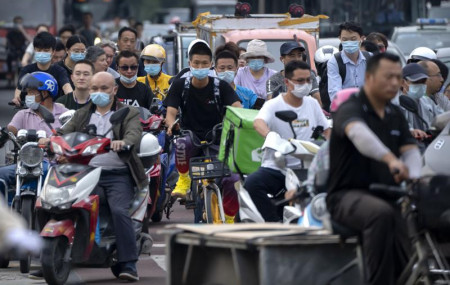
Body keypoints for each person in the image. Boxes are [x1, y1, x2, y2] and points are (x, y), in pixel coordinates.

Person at [326, 53, 421, 285]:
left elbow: (410, 151)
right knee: (380, 214)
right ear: (368, 77)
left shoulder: (395, 114)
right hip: (347, 196)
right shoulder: (352, 108)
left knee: (420, 218)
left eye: (398, 77)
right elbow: (359, 135)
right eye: (387, 76)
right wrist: (391, 160)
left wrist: (417, 178)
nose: (394, 83)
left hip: (390, 194)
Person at [55, 72, 146, 281]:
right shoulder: (82, 114)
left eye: (104, 88)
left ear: (114, 90)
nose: (98, 93)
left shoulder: (128, 112)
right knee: (61, 204)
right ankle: (53, 258)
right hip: (87, 173)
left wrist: (123, 142)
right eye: (94, 89)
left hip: (118, 174)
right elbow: (64, 132)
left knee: (119, 211)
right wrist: (52, 141)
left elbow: (134, 133)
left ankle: (129, 263)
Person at [244, 60, 331, 222]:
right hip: (278, 167)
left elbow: (327, 130)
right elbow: (259, 122)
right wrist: (271, 136)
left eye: (308, 81)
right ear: (287, 82)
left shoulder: (312, 104)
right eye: (299, 81)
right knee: (252, 183)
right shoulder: (273, 105)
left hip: (308, 168)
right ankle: (273, 223)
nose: (304, 85)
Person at [164, 40, 241, 201]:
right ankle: (184, 181)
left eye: (204, 63)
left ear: (211, 64)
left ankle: (228, 218)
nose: (200, 67)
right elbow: (170, 112)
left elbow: (237, 108)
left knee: (233, 180)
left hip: (218, 139)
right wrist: (171, 124)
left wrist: (239, 123)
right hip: (191, 137)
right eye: (196, 63)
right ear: (190, 63)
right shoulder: (179, 86)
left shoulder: (221, 86)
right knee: (181, 144)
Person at [0, 72, 67, 213]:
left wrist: (52, 141)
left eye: (31, 92)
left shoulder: (63, 113)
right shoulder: (23, 114)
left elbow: (70, 135)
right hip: (24, 163)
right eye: (28, 93)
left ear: (45, 93)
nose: (28, 96)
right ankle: (5, 214)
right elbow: (10, 129)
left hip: (52, 164)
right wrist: (3, 133)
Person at [12, 32, 73, 105]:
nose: (42, 53)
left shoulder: (60, 71)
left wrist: (72, 100)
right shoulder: (27, 70)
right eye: (39, 50)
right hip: (30, 108)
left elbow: (66, 87)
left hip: (54, 111)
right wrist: (16, 98)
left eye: (46, 50)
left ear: (53, 52)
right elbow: (19, 88)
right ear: (34, 50)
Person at [327, 21, 370, 102]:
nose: (349, 42)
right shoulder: (334, 61)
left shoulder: (370, 58)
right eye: (345, 39)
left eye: (353, 39)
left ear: (361, 38)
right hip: (345, 108)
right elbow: (335, 94)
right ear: (340, 38)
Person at [214, 43, 259, 109]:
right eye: (222, 68)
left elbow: (263, 110)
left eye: (230, 68)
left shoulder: (247, 94)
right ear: (215, 69)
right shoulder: (209, 93)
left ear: (237, 68)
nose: (226, 71)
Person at [395, 63, 431, 140]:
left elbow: (440, 119)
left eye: (423, 82)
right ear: (402, 83)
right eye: (416, 82)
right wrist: (411, 131)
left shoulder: (428, 102)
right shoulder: (395, 104)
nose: (421, 85)